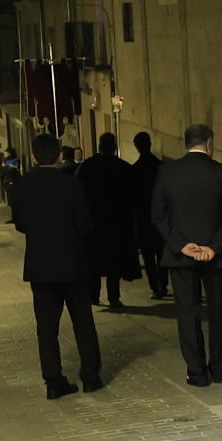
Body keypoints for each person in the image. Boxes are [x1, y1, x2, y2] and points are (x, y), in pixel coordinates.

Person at [9, 133, 102, 400]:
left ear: (34, 157)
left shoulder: (22, 186)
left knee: (47, 327)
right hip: (73, 262)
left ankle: (53, 380)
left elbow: (20, 224)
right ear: (60, 156)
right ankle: (91, 376)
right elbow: (85, 223)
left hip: (41, 266)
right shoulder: (71, 185)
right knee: (83, 322)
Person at [152, 122, 222, 386]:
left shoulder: (167, 172)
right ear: (210, 143)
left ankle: (197, 372)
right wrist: (214, 247)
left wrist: (181, 245)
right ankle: (221, 369)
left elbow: (158, 216)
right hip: (217, 256)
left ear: (186, 142)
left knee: (187, 313)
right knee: (218, 311)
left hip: (181, 257)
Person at [77, 132, 141, 310]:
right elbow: (131, 197)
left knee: (93, 261)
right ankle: (113, 297)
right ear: (114, 148)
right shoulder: (122, 167)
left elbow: (78, 193)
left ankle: (93, 295)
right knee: (114, 263)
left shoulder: (87, 167)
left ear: (99, 146)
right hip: (116, 223)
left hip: (93, 221)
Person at [130, 131, 168, 300]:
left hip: (143, 218)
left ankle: (154, 286)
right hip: (161, 217)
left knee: (148, 255)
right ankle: (164, 283)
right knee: (161, 252)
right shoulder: (161, 167)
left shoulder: (135, 170)